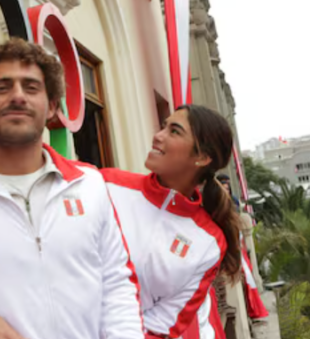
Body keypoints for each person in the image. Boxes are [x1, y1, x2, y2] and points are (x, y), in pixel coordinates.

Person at [0, 38, 144, 339]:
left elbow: (117, 283)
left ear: (52, 107)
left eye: (31, 88)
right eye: (3, 87)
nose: (17, 96)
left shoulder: (89, 184)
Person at [102, 105, 242, 339]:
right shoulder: (107, 184)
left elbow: (165, 323)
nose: (158, 136)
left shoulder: (209, 241)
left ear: (202, 157)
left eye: (174, 131)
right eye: (163, 126)